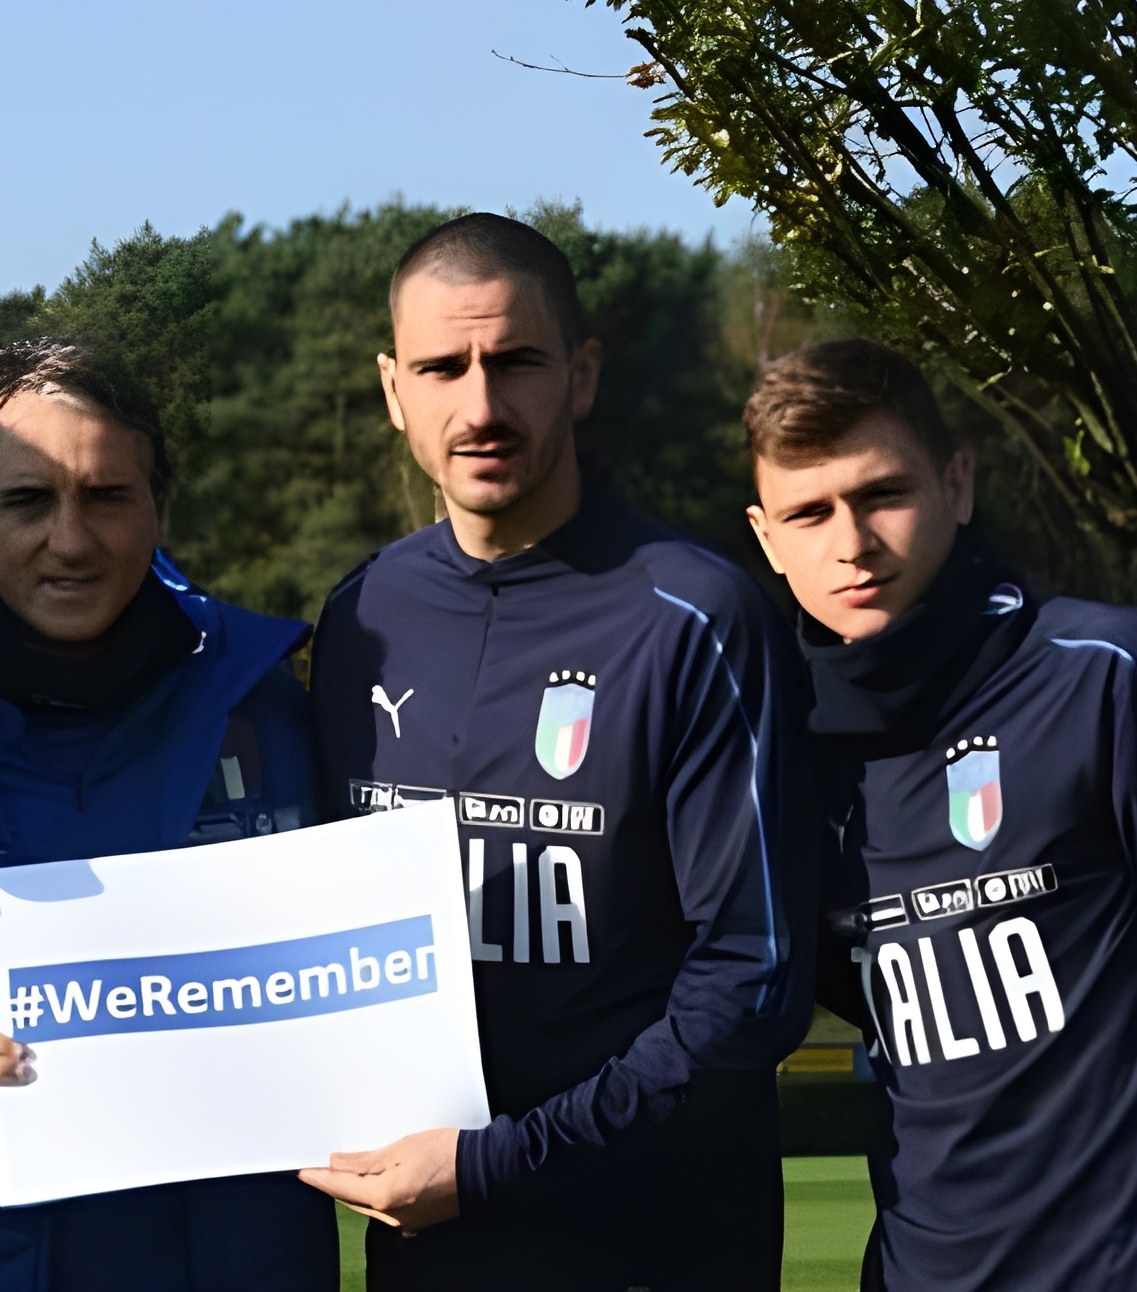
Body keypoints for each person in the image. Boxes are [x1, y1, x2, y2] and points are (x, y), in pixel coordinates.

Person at [300, 213, 813, 1290]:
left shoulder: (698, 615)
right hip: (428, 1255)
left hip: (656, 1250)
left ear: (579, 375)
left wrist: (500, 1164)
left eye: (515, 362)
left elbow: (752, 980)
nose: (480, 406)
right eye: (442, 367)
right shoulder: (362, 616)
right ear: (394, 390)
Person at [743, 338, 1137, 1290]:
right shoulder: (781, 757)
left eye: (882, 494)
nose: (850, 543)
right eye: (809, 512)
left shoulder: (1113, 673)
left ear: (956, 485)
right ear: (767, 539)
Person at [0, 339, 337, 1292]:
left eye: (106, 496)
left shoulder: (269, 718)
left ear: (160, 507)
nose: (72, 540)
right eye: (27, 500)